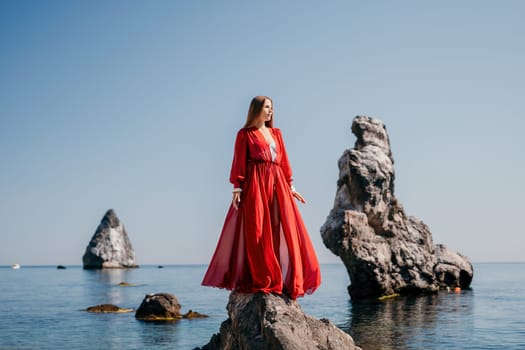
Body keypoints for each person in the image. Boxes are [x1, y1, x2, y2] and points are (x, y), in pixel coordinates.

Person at [202, 96, 321, 299]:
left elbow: (284, 162)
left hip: (278, 184)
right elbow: (239, 162)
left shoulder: (276, 133)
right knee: (257, 230)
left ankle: (284, 278)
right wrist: (237, 189)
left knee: (282, 228)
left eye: (272, 108)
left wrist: (290, 186)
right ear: (256, 110)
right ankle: (263, 277)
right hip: (255, 185)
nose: (270, 111)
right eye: (267, 107)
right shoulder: (245, 134)